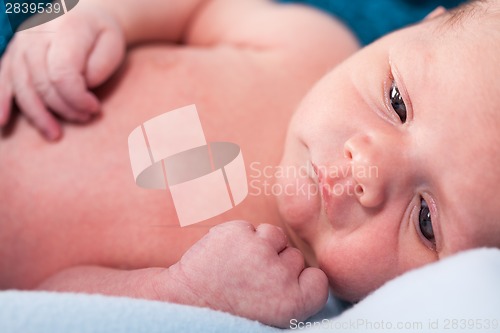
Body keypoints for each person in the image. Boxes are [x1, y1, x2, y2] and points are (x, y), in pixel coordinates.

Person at [0, 0, 499, 328]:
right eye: (395, 101)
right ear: (419, 26)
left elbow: (60, 306)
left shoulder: (289, 300)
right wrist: (98, 17)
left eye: (427, 221)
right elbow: (194, 7)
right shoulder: (308, 49)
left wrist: (184, 292)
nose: (367, 168)